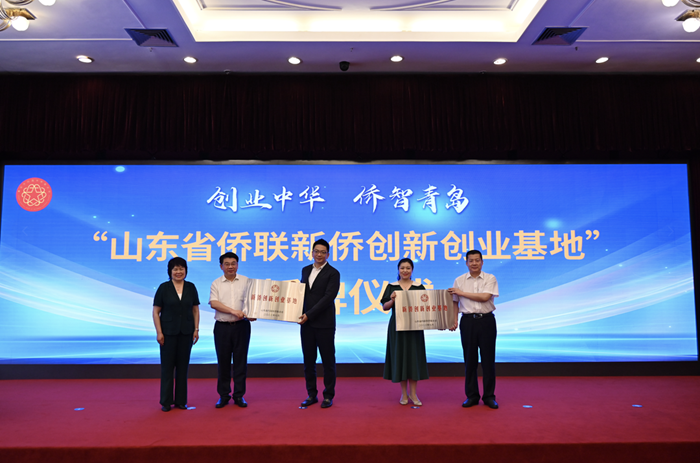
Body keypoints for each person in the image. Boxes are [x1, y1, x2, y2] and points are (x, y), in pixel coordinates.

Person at [448, 250, 499, 409]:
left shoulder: (490, 278)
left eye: (477, 260)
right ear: (466, 263)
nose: (474, 263)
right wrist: (454, 320)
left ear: (482, 262)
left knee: (488, 361)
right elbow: (455, 301)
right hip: (468, 322)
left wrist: (462, 293)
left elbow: (485, 297)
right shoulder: (459, 280)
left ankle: (489, 396)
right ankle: (472, 396)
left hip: (487, 321)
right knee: (469, 361)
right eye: (471, 260)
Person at [152, 257, 200, 412]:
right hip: (168, 333)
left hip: (186, 332)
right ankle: (166, 401)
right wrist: (159, 332)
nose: (178, 272)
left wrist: (196, 329)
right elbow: (156, 311)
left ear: (186, 270)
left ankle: (181, 401)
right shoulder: (163, 288)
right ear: (170, 271)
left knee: (183, 367)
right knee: (167, 368)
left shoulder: (191, 287)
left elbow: (195, 310)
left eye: (181, 269)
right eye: (175, 269)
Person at [298, 238, 340, 409]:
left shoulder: (333, 273)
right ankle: (311, 394)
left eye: (323, 252)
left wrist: (308, 314)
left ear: (328, 255)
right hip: (306, 324)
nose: (319, 254)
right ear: (312, 253)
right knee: (308, 361)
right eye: (317, 251)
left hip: (325, 324)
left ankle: (328, 395)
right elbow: (301, 294)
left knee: (328, 361)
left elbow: (328, 298)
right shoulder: (305, 270)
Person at [381, 258, 429, 406]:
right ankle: (403, 394)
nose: (405, 271)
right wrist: (392, 300)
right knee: (400, 358)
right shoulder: (392, 286)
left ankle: (413, 393)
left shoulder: (419, 287)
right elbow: (385, 307)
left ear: (412, 270)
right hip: (397, 327)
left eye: (408, 268)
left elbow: (427, 307)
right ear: (398, 269)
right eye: (402, 268)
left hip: (415, 327)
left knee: (413, 358)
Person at [209, 252, 254, 409]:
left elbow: (253, 302)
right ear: (221, 266)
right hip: (222, 327)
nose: (230, 266)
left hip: (242, 327)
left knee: (241, 362)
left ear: (237, 265)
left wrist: (253, 313)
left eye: (233, 263)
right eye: (227, 264)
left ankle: (239, 395)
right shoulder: (216, 283)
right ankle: (223, 395)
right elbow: (214, 303)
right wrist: (233, 311)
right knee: (223, 363)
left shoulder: (247, 281)